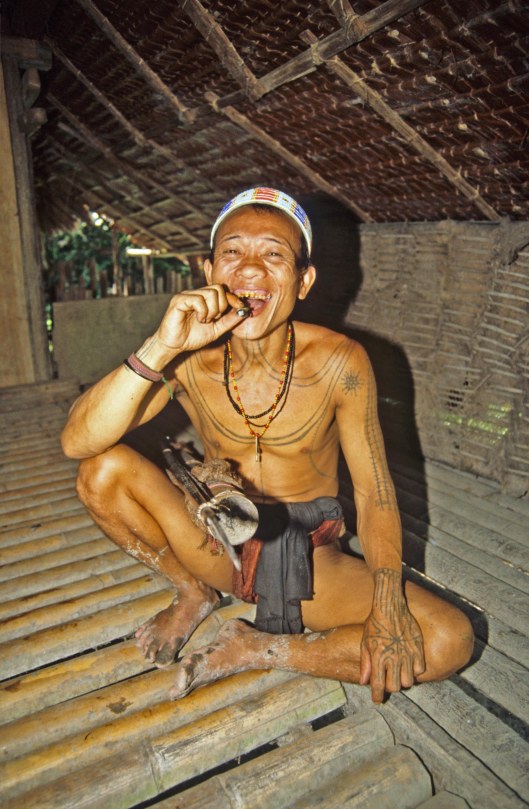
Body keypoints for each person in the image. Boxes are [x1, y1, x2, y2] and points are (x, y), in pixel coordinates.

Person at [61, 187, 473, 704]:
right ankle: (193, 592)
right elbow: (78, 441)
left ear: (303, 281)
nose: (251, 270)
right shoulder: (188, 359)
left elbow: (374, 493)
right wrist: (161, 346)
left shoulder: (340, 362)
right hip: (219, 546)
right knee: (101, 470)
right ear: (209, 270)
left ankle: (255, 648)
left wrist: (388, 598)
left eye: (274, 254)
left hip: (311, 557)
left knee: (447, 639)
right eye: (233, 252)